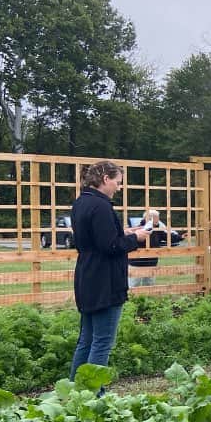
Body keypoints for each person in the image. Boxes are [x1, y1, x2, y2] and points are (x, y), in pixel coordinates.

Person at [69, 160, 148, 380]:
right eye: (118, 182)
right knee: (102, 341)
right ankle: (94, 396)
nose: (119, 187)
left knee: (86, 339)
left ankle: (74, 392)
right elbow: (110, 246)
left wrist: (123, 231)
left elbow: (96, 238)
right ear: (105, 179)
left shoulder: (81, 203)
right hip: (105, 281)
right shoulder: (102, 206)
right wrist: (136, 238)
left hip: (87, 275)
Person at [128, 208, 167, 288]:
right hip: (137, 262)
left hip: (151, 262)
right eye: (156, 218)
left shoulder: (158, 229)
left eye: (158, 218)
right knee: (134, 285)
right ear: (149, 218)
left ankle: (148, 300)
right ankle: (133, 300)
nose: (158, 220)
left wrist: (180, 237)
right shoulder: (139, 229)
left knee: (150, 285)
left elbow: (168, 236)